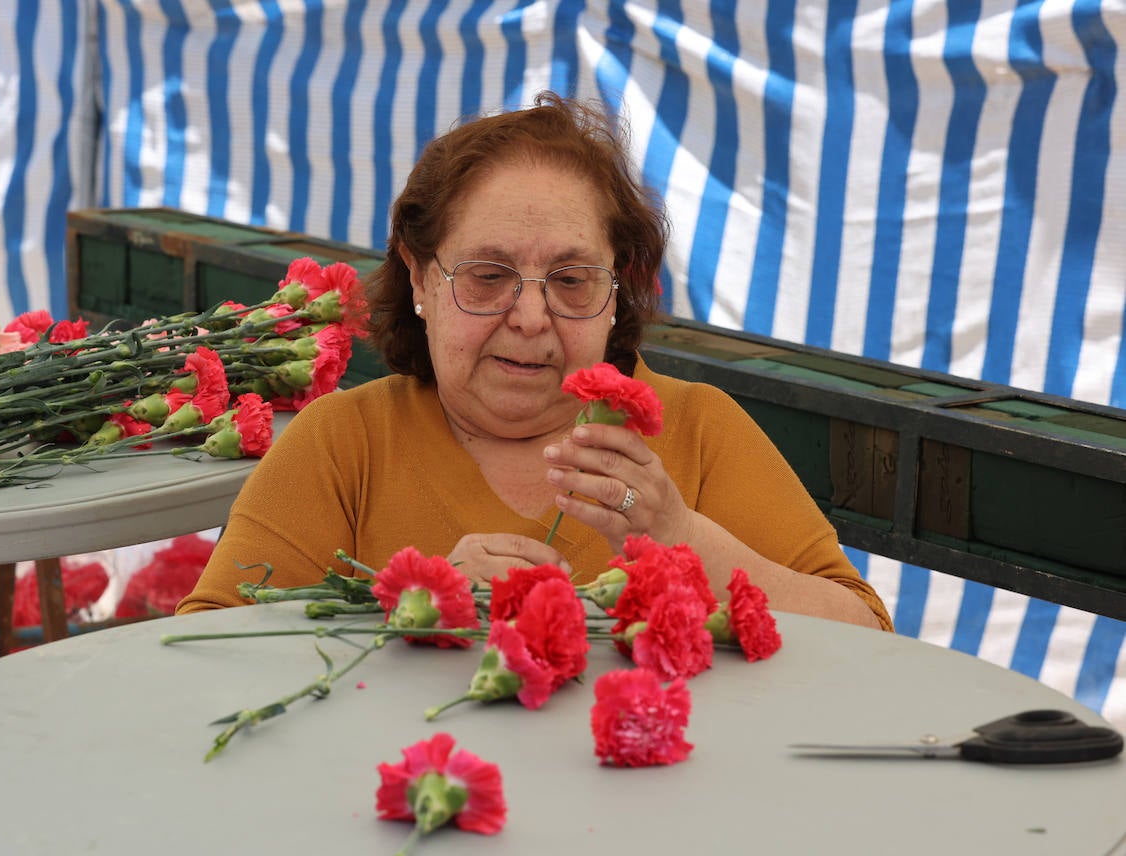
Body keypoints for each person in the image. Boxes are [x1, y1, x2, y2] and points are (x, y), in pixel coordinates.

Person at [178, 92, 891, 631]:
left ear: (618, 292)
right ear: (421, 277)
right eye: (487, 276)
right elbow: (205, 648)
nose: (529, 317)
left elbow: (865, 635)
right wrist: (405, 608)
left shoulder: (699, 430)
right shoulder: (343, 443)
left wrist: (681, 537)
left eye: (572, 280)